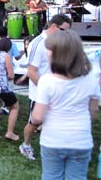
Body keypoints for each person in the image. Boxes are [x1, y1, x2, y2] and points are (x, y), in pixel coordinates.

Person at [31, 30, 100, 180]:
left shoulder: (46, 81)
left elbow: (37, 117)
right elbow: (93, 111)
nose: (47, 53)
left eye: (49, 50)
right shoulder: (91, 79)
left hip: (53, 140)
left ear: (58, 54)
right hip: (81, 139)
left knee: (51, 177)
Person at [19, 14, 72, 160]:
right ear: (54, 26)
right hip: (40, 93)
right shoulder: (38, 43)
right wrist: (46, 91)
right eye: (63, 30)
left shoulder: (57, 42)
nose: (65, 34)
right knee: (34, 122)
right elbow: (31, 72)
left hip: (57, 91)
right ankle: (26, 145)